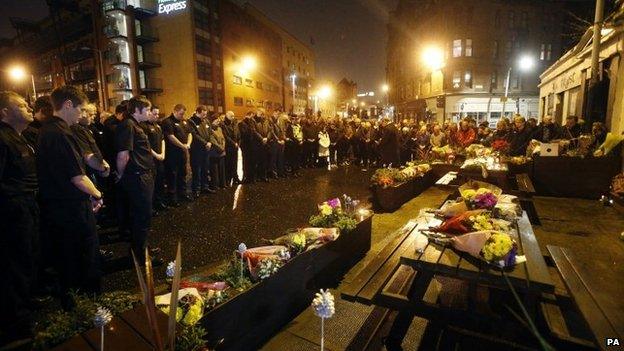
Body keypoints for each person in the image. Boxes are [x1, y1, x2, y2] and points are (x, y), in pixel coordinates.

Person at [37, 86, 103, 309]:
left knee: (68, 260)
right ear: (67, 105)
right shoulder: (61, 134)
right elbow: (77, 176)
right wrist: (97, 194)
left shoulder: (48, 131)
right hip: (71, 210)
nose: (82, 114)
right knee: (82, 260)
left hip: (59, 208)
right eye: (80, 109)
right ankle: (87, 313)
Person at [0, 91, 38, 340]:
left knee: (29, 257)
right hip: (12, 211)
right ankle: (17, 322)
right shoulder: (3, 139)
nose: (28, 107)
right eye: (20, 105)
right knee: (15, 264)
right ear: (4, 112)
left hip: (27, 206)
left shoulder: (20, 137)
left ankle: (26, 305)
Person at [115, 95, 161, 265]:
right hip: (137, 177)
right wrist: (120, 174)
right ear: (136, 110)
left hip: (143, 175)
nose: (149, 112)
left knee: (143, 215)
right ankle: (141, 256)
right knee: (141, 216)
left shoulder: (135, 125)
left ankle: (142, 248)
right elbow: (123, 155)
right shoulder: (128, 125)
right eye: (147, 109)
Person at [162, 104, 192, 205]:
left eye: (183, 114)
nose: (182, 116)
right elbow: (171, 137)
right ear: (174, 111)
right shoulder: (167, 122)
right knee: (172, 176)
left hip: (182, 154)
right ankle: (172, 198)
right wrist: (182, 146)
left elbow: (189, 133)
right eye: (180, 114)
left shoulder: (184, 121)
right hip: (172, 154)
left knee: (182, 174)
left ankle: (182, 194)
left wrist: (188, 144)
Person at [140, 106, 167, 211]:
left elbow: (163, 140)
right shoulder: (143, 126)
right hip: (150, 160)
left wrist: (162, 153)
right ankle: (151, 207)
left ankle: (159, 202)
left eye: (157, 114)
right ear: (149, 113)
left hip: (160, 158)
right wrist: (156, 155)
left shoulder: (158, 126)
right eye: (154, 114)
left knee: (160, 181)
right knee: (151, 184)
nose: (157, 116)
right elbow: (146, 145)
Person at [189, 105, 213, 197]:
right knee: (197, 170)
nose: (204, 116)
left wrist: (210, 142)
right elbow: (194, 135)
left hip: (206, 149)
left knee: (205, 168)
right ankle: (196, 189)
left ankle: (205, 187)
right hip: (196, 150)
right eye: (203, 114)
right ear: (197, 112)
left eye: (205, 114)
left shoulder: (206, 121)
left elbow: (210, 133)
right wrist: (205, 143)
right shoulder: (191, 121)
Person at [222, 111, 241, 186]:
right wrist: (234, 143)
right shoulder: (223, 125)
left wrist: (238, 143)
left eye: (233, 116)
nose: (233, 118)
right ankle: (228, 179)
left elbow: (238, 134)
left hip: (235, 147)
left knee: (235, 163)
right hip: (229, 147)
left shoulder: (235, 124)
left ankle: (235, 177)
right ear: (227, 116)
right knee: (228, 164)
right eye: (231, 116)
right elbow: (226, 136)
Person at [208, 114, 226, 189]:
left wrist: (223, 146)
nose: (218, 121)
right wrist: (220, 148)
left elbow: (223, 139)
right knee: (214, 171)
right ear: (212, 121)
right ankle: (215, 185)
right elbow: (212, 141)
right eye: (216, 120)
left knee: (221, 170)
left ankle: (222, 184)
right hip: (214, 153)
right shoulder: (209, 129)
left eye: (218, 120)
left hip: (221, 152)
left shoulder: (219, 129)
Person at [252, 109, 272, 181]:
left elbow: (270, 130)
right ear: (257, 113)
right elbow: (254, 131)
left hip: (265, 143)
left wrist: (267, 138)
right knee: (258, 160)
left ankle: (263, 176)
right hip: (258, 143)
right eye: (260, 113)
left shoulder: (266, 120)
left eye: (263, 114)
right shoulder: (254, 120)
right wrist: (262, 138)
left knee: (264, 160)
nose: (262, 115)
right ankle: (257, 176)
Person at [239, 111, 256, 183]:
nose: (252, 118)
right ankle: (245, 176)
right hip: (245, 145)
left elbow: (254, 132)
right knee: (246, 161)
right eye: (251, 116)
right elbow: (244, 134)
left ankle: (251, 177)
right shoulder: (242, 123)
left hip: (251, 145)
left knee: (252, 161)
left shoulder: (252, 123)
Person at [269, 112, 286, 177]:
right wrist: (278, 140)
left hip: (280, 142)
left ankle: (280, 172)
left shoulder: (278, 122)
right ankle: (274, 173)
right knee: (274, 158)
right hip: (274, 143)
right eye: (276, 114)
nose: (277, 115)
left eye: (278, 114)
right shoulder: (271, 121)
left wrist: (283, 139)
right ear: (273, 114)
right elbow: (272, 132)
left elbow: (281, 131)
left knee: (280, 158)